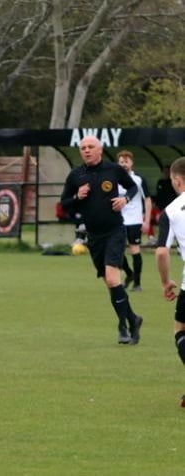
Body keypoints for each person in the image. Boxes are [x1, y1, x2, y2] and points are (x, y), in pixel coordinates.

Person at [59, 136, 143, 345]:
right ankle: (132, 319)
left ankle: (123, 327)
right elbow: (65, 204)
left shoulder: (113, 170)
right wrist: (77, 197)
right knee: (111, 284)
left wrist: (125, 199)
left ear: (100, 149)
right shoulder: (76, 175)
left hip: (115, 230)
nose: (86, 150)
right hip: (94, 237)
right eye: (83, 148)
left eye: (90, 147)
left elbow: (132, 188)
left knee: (114, 279)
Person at [154, 156, 185, 407]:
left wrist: (166, 282)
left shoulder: (171, 211)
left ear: (176, 180)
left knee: (181, 332)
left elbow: (162, 252)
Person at [117, 150, 151, 292]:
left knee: (135, 250)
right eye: (121, 162)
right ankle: (129, 274)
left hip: (135, 220)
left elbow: (147, 200)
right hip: (118, 221)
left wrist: (146, 221)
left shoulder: (138, 179)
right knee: (118, 251)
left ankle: (137, 283)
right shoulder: (114, 179)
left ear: (132, 163)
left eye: (127, 161)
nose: (124, 164)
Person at [150, 164, 178, 244]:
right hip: (159, 208)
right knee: (146, 216)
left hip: (170, 209)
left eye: (167, 172)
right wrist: (154, 202)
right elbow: (158, 195)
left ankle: (169, 240)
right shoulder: (160, 182)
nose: (166, 173)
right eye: (164, 172)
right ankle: (151, 238)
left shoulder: (173, 183)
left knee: (163, 220)